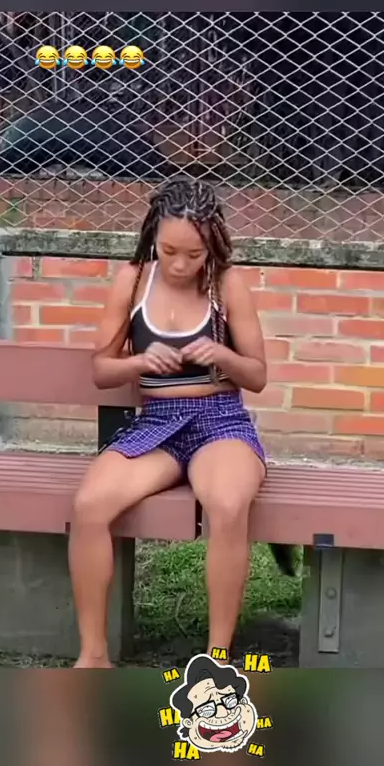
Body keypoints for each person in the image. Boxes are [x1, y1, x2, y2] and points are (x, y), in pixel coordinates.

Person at [68, 177, 267, 668]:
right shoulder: (133, 280)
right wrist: (140, 362)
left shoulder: (227, 284)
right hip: (157, 422)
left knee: (227, 504)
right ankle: (93, 656)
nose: (180, 265)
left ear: (212, 243)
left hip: (220, 421)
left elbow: (258, 376)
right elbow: (101, 370)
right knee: (90, 505)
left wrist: (222, 354)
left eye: (194, 254)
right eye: (169, 250)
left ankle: (216, 658)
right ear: (153, 236)